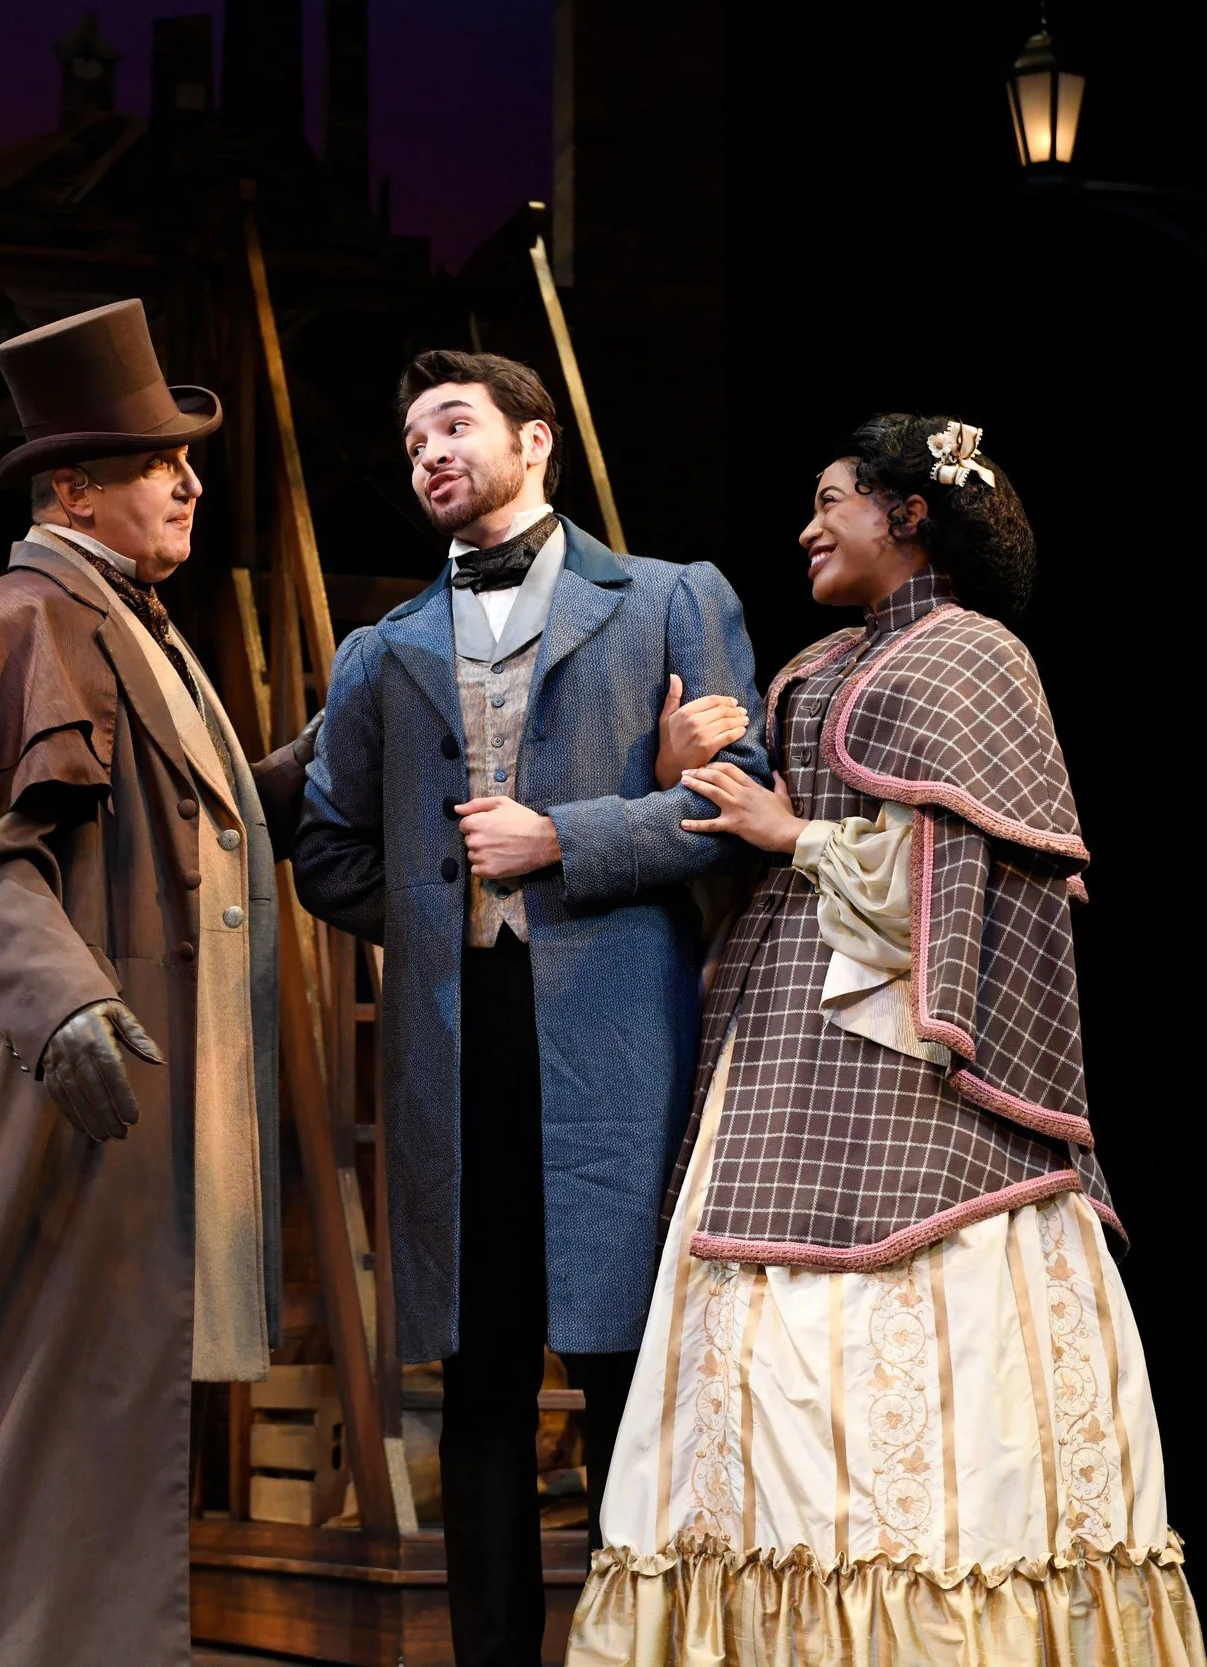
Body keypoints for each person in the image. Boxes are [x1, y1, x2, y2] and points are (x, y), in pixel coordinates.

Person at [569, 416, 1207, 1664]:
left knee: (917, 1370)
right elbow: (763, 835)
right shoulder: (817, 663)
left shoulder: (973, 655)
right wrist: (686, 772)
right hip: (782, 1039)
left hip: (913, 1066)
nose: (809, 526)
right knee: (757, 1360)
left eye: (833, 500)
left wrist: (792, 834)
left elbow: (960, 876)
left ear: (907, 513)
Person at [0, 298, 315, 1667]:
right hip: (62, 1087)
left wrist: (309, 767)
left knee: (89, 1393)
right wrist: (65, 1002)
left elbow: (194, 829)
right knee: (16, 1386)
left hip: (132, 1086)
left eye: (189, 463)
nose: (190, 485)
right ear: (74, 490)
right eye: (159, 464)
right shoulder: (19, 623)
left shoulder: (134, 625)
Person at [292, 351, 769, 1667]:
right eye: (411, 442)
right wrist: (438, 903)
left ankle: (641, 1645)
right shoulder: (381, 649)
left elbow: (743, 803)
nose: (429, 454)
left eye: (453, 425)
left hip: (622, 1030)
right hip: (457, 1038)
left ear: (536, 438)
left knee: (628, 1365)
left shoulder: (670, 598)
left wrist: (564, 835)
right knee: (483, 1371)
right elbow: (326, 847)